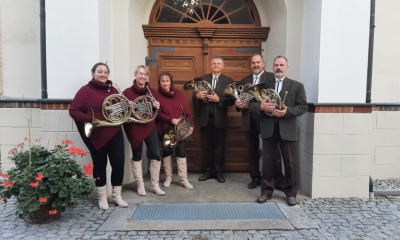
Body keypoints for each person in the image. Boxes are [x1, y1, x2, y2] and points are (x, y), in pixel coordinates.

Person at [69, 62, 128, 210]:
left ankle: (117, 195)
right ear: (93, 73)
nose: (103, 74)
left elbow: (120, 109)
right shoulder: (85, 91)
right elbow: (74, 111)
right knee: (100, 165)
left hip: (115, 131)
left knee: (119, 163)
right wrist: (93, 120)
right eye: (100, 71)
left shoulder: (113, 89)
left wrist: (128, 107)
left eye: (106, 72)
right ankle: (102, 196)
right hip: (97, 134)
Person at [251, 56, 307, 206]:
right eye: (276, 65)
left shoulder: (297, 86)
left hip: (287, 128)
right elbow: (252, 105)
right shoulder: (264, 85)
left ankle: (291, 194)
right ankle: (266, 191)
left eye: (281, 65)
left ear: (287, 67)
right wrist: (261, 107)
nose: (278, 68)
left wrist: (288, 112)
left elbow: (303, 107)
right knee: (268, 162)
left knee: (290, 163)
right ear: (272, 67)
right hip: (269, 128)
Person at [235, 54, 285, 190]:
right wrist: (238, 104)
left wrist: (253, 105)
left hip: (267, 119)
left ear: (264, 63)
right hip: (249, 120)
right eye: (253, 63)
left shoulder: (271, 77)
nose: (255, 65)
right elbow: (241, 98)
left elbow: (274, 98)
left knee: (272, 151)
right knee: (252, 152)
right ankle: (255, 178)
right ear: (250, 65)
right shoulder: (244, 80)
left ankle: (278, 179)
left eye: (258, 62)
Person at [123, 65, 165, 196]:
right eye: (140, 74)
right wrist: (127, 107)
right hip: (135, 127)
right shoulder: (127, 92)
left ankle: (154, 185)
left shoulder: (152, 92)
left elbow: (157, 113)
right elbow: (122, 114)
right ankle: (140, 185)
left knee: (156, 155)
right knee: (137, 155)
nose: (143, 76)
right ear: (135, 74)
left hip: (149, 125)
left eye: (146, 74)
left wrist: (157, 107)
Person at [195, 56, 235, 183]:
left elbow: (232, 100)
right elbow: (194, 99)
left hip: (220, 119)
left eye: (218, 64)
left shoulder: (228, 80)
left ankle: (219, 172)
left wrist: (219, 100)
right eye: (214, 63)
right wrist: (197, 96)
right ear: (210, 66)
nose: (216, 65)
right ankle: (208, 171)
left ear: (222, 66)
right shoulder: (203, 79)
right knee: (206, 146)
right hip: (206, 119)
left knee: (220, 147)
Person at [156, 72, 194, 189]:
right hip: (166, 129)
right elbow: (157, 114)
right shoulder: (156, 96)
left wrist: (191, 124)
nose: (165, 83)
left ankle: (183, 179)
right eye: (163, 81)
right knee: (167, 153)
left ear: (170, 82)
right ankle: (169, 177)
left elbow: (186, 111)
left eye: (167, 81)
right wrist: (170, 119)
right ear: (160, 83)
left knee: (181, 153)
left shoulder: (179, 94)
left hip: (180, 130)